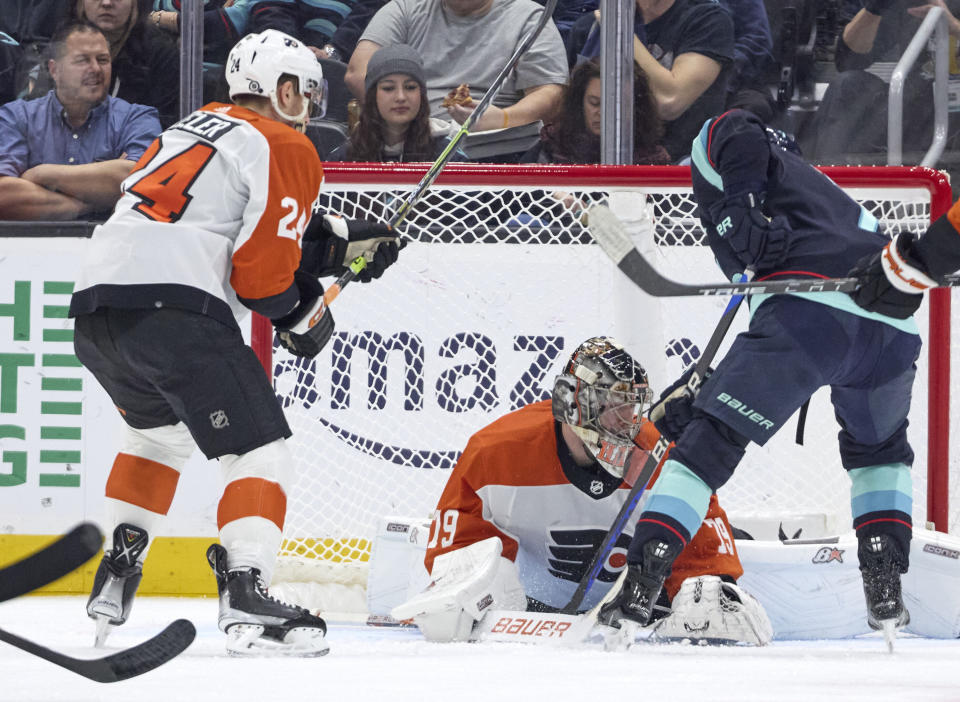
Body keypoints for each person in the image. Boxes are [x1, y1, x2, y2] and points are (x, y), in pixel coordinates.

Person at [70, 29, 400, 656]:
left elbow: (218, 222)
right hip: (176, 312)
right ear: (280, 89)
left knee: (156, 437)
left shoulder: (186, 130)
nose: (309, 103)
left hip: (96, 311)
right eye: (304, 90)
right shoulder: (286, 143)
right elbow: (259, 277)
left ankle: (117, 570)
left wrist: (337, 238)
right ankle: (247, 590)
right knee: (261, 450)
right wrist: (302, 311)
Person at [595, 109, 923, 645]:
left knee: (706, 449)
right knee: (880, 452)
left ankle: (641, 583)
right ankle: (885, 588)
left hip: (810, 315)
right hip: (892, 331)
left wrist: (738, 203)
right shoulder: (814, 190)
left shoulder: (729, 147)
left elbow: (733, 127)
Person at [392, 336, 771, 646]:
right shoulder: (495, 452)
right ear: (571, 402)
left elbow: (699, 525)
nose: (628, 423)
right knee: (451, 618)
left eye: (633, 407)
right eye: (613, 407)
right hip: (531, 606)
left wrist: (710, 583)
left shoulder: (657, 452)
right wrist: (462, 590)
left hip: (635, 603)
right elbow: (458, 550)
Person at [0, 21, 160, 221]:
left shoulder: (137, 118)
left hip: (110, 247)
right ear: (54, 70)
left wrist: (41, 174)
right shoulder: (16, 117)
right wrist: (92, 202)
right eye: (82, 60)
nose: (95, 69)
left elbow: (142, 181)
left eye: (102, 60)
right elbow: (4, 195)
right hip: (32, 248)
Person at [344, 0, 569, 134]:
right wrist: (406, 119)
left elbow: (550, 93)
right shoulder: (406, 7)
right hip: (406, 139)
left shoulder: (529, 17)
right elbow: (358, 72)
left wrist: (504, 119)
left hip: (494, 146)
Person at [566, 0, 734, 161]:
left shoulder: (707, 21)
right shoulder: (588, 27)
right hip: (591, 168)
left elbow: (670, 101)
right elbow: (570, 112)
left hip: (681, 173)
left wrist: (619, 30)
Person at [802, 0, 960, 164]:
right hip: (918, 104)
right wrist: (875, 8)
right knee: (848, 86)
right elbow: (849, 60)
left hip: (953, 111)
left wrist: (953, 26)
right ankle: (830, 179)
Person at [328, 44, 467, 162]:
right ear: (372, 96)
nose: (400, 97)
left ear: (422, 95)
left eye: (410, 87)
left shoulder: (449, 157)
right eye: (388, 88)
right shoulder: (344, 157)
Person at [520, 58, 670, 164]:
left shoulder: (654, 159)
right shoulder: (552, 145)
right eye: (594, 103)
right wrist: (551, 195)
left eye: (614, 105)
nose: (602, 113)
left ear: (635, 107)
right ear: (579, 103)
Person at [68, 0, 181, 127]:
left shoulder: (161, 54)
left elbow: (163, 126)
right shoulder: (62, 45)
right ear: (80, 4)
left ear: (135, 4)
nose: (106, 3)